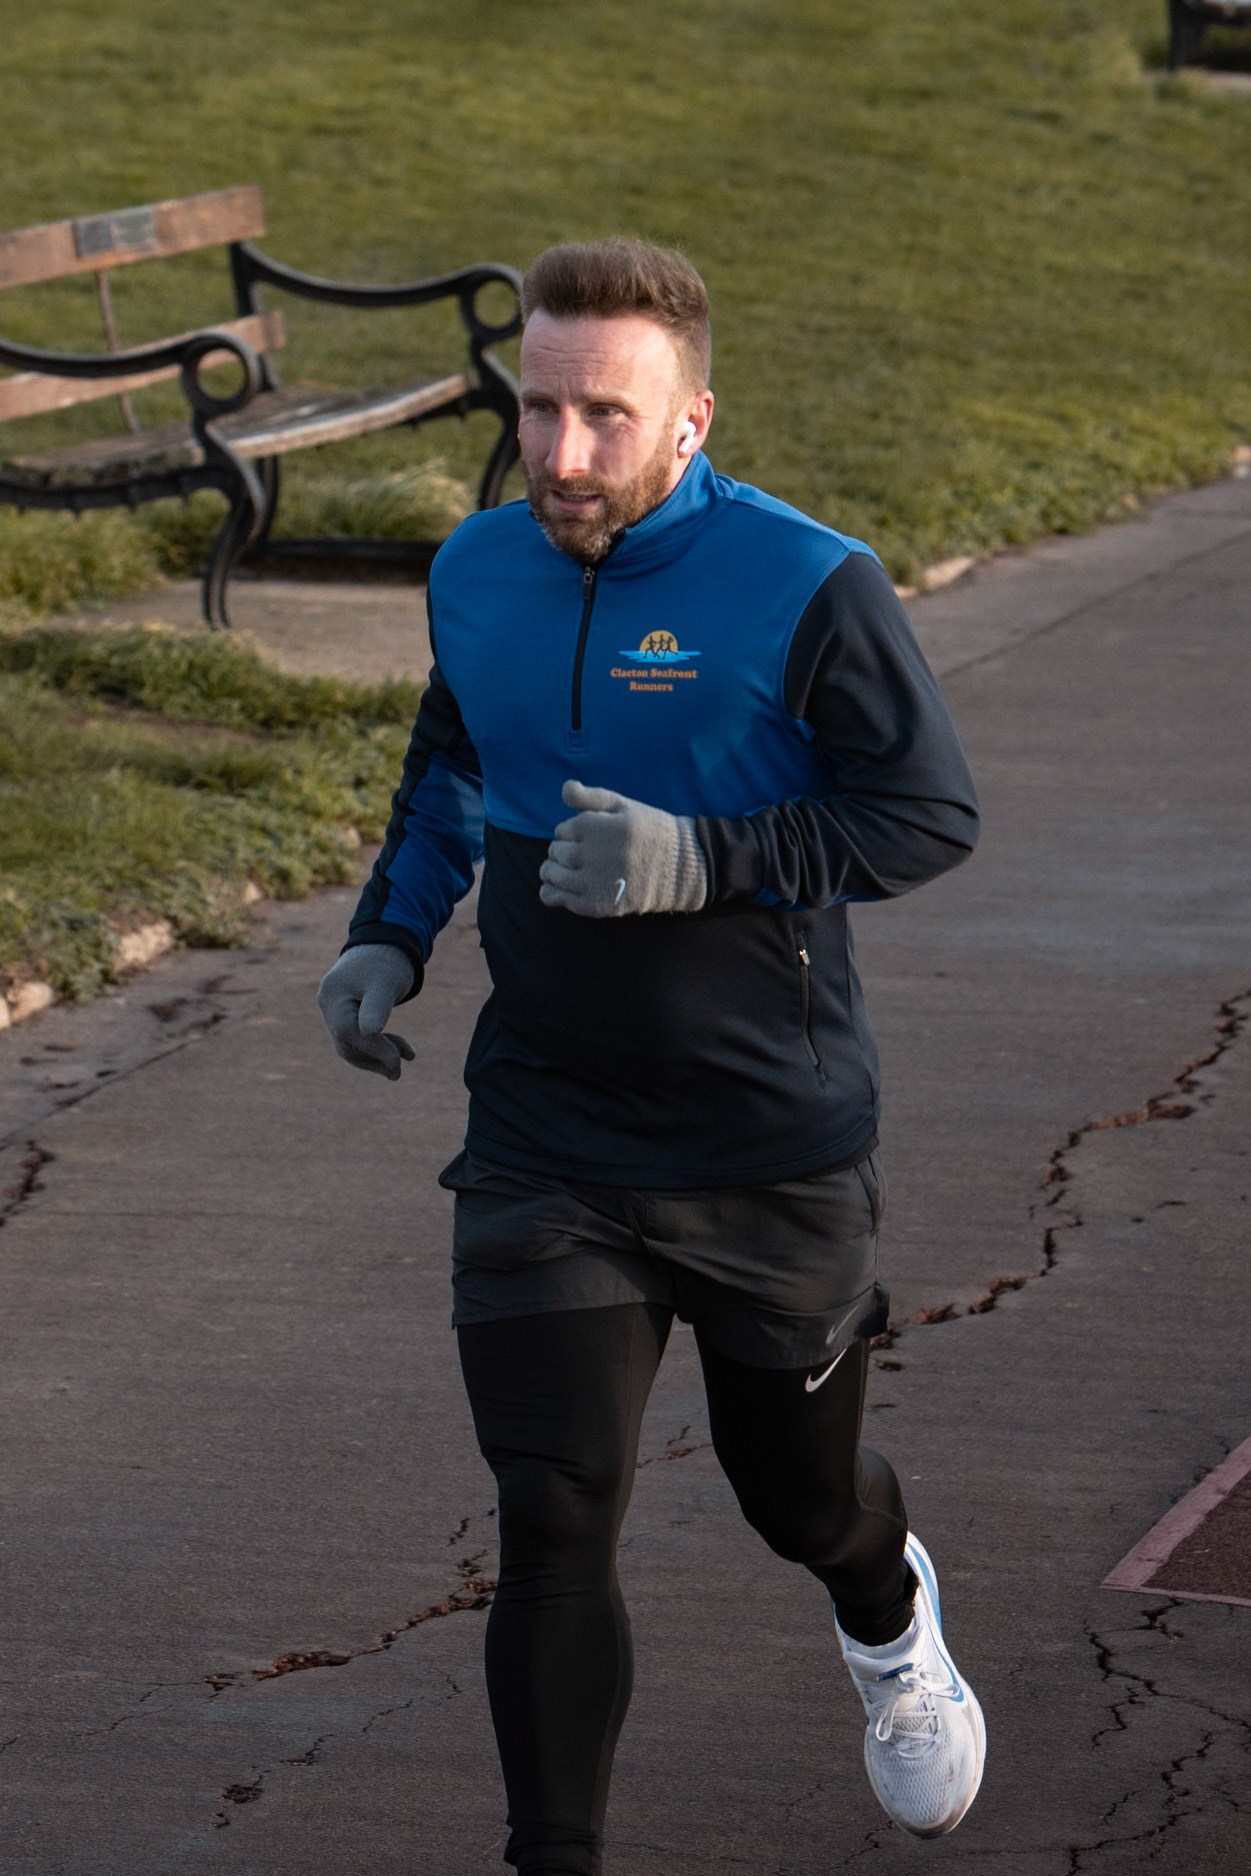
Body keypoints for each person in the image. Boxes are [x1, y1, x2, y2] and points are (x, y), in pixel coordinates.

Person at [318, 239, 985, 1873]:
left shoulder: (808, 581)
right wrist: (388, 934)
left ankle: (890, 1621)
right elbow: (454, 757)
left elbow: (924, 813)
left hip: (767, 1137)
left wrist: (703, 858)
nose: (560, 455)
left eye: (605, 417)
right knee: (552, 1516)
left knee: (798, 1501)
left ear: (693, 420)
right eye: (538, 408)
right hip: (546, 1130)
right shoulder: (479, 567)